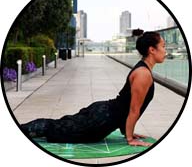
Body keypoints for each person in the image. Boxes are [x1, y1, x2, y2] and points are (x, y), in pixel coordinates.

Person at [21, 31, 166, 147]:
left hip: (103, 114)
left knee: (59, 125)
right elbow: (134, 109)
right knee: (53, 128)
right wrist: (129, 138)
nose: (166, 51)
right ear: (152, 50)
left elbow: (126, 106)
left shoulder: (144, 70)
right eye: (163, 46)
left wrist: (129, 132)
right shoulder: (143, 74)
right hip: (100, 120)